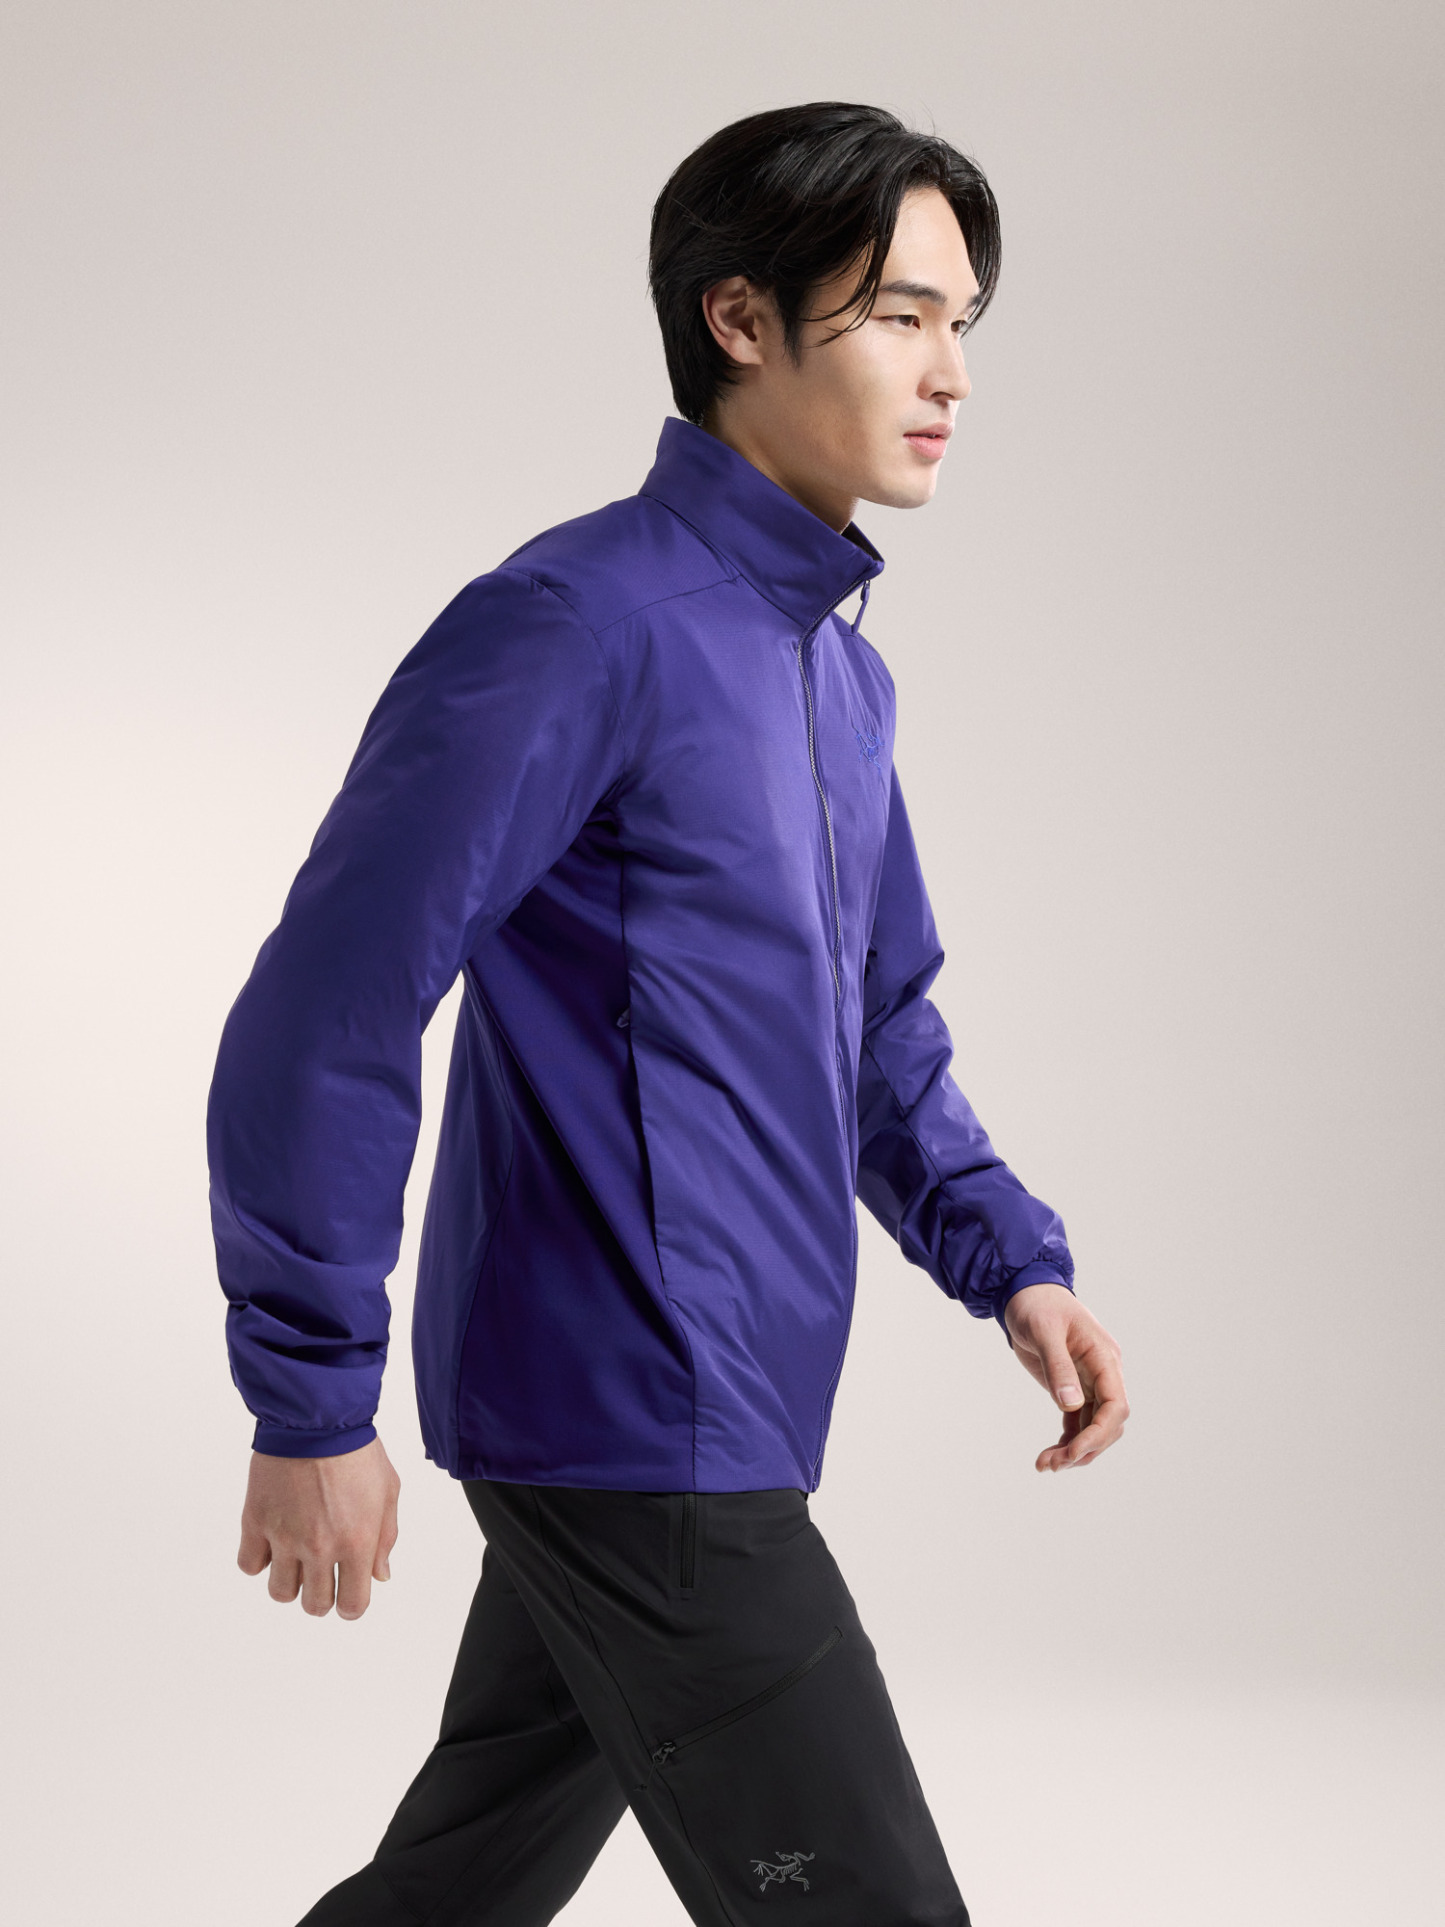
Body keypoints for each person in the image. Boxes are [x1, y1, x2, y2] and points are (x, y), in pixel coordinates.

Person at [209, 100, 1128, 1927]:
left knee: (456, 1890)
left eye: (960, 323)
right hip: (632, 1414)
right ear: (738, 319)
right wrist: (309, 1399)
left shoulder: (832, 677)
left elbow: (876, 1031)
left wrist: (1008, 1259)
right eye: (898, 315)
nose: (950, 373)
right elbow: (330, 1004)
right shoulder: (575, 624)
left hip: (722, 1408)